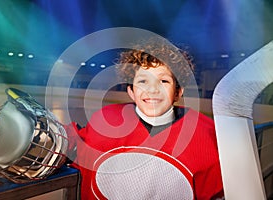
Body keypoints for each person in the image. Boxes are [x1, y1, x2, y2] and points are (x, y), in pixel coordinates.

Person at [66, 37, 224, 199]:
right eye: (143, 81)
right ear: (131, 91)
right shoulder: (105, 119)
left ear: (178, 92)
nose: (153, 89)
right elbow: (76, 143)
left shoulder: (205, 134)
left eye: (163, 81)